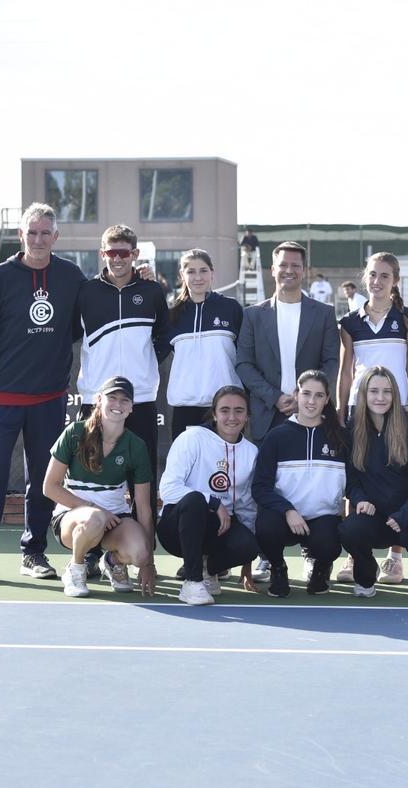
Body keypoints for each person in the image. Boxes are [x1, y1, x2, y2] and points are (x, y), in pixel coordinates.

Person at [0, 203, 86, 586]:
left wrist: (140, 279)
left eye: (45, 233)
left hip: (49, 400)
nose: (38, 239)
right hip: (2, 401)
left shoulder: (71, 276)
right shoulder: (0, 276)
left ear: (56, 236)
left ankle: (33, 553)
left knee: (43, 482)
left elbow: (81, 323)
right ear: (21, 234)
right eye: (32, 232)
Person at [236, 241, 339, 582]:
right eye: (283, 265)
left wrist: (306, 397)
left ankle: (313, 553)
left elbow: (331, 361)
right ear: (273, 269)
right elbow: (244, 364)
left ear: (304, 270)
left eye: (295, 265)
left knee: (311, 487)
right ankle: (269, 556)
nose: (289, 270)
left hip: (311, 412)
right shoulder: (253, 315)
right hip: (269, 412)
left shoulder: (323, 313)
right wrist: (275, 396)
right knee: (267, 485)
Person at [75, 225, 170, 548]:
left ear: (135, 254)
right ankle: (90, 553)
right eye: (111, 253)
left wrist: (145, 366)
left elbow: (164, 337)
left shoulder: (152, 291)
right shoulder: (86, 292)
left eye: (124, 253)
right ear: (102, 254)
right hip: (95, 400)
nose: (117, 259)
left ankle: (142, 551)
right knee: (91, 477)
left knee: (142, 479)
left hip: (139, 399)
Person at [334, 253, 408, 584]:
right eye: (372, 274)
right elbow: (345, 372)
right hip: (359, 413)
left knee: (397, 479)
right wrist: (342, 410)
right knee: (357, 477)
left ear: (395, 280)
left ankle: (394, 558)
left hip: (397, 412)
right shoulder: (350, 322)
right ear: (365, 278)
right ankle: (355, 556)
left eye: (385, 275)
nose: (377, 281)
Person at [42, 377, 156, 598]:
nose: (118, 404)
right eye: (112, 397)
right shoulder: (75, 433)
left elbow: (144, 508)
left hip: (115, 520)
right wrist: (96, 509)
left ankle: (112, 562)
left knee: (140, 553)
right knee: (94, 518)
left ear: (131, 407)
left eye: (124, 400)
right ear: (98, 400)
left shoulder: (136, 446)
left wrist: (148, 563)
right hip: (74, 519)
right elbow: (49, 487)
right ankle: (76, 568)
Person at [339, 366, 408, 598]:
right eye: (374, 391)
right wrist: (360, 500)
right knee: (349, 531)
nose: (380, 398)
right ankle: (366, 574)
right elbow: (351, 480)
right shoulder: (353, 428)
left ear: (395, 395)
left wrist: (404, 515)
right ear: (364, 394)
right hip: (373, 516)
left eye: (387, 391)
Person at [158, 386, 261, 605]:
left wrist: (247, 562)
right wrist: (213, 502)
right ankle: (192, 582)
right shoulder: (192, 438)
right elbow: (168, 488)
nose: (232, 417)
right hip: (177, 527)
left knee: (249, 545)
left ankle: (208, 570)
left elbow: (246, 505)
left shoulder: (251, 452)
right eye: (224, 410)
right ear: (214, 414)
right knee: (195, 500)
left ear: (247, 416)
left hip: (218, 528)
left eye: (239, 411)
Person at [251, 370, 347, 598]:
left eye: (319, 395)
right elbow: (260, 487)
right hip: (285, 517)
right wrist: (287, 510)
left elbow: (354, 481)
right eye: (306, 393)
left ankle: (321, 568)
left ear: (327, 399)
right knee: (265, 527)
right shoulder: (276, 436)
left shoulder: (341, 437)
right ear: (296, 394)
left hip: (322, 518)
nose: (311, 401)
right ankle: (278, 568)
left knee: (330, 543)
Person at [165, 249, 244, 440]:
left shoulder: (231, 308)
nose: (198, 277)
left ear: (212, 273)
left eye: (203, 270)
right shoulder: (173, 314)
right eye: (191, 271)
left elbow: (245, 356)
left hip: (225, 406)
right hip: (184, 407)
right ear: (182, 275)